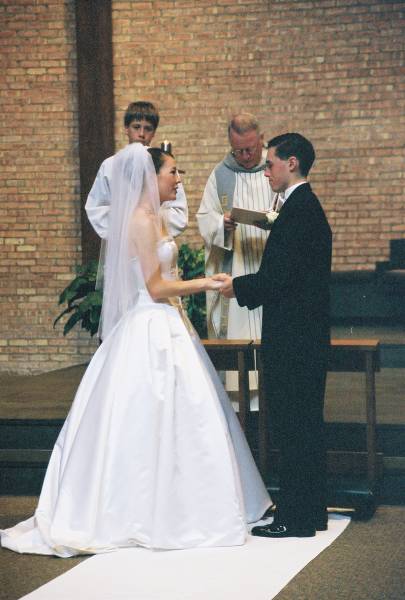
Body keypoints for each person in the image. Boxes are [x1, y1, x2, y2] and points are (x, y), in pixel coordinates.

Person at [0, 144, 270, 557]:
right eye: (172, 172)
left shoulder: (155, 217)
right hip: (150, 323)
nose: (178, 179)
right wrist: (206, 283)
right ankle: (143, 510)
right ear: (150, 176)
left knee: (185, 414)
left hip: (168, 322)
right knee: (147, 413)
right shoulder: (140, 222)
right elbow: (156, 287)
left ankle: (181, 506)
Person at [215, 133, 332, 538]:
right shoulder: (302, 206)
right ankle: (309, 511)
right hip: (304, 335)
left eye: (270, 164)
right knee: (305, 424)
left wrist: (237, 287)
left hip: (294, 339)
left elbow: (279, 278)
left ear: (291, 163)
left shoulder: (299, 210)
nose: (266, 172)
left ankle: (294, 519)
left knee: (293, 426)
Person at [196, 113, 278, 398]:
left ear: (261, 139)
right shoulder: (220, 174)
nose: (244, 156)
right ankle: (240, 403)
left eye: (250, 149)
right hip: (238, 266)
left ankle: (269, 399)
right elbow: (204, 218)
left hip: (270, 266)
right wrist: (222, 224)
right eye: (238, 150)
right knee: (239, 334)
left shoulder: (275, 167)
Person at [85, 100, 188, 239]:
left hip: (155, 240)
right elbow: (96, 207)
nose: (141, 134)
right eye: (136, 127)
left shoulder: (164, 165)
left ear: (154, 133)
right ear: (126, 129)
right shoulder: (109, 166)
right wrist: (127, 229)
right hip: (120, 240)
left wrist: (147, 223)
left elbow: (179, 213)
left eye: (148, 129)